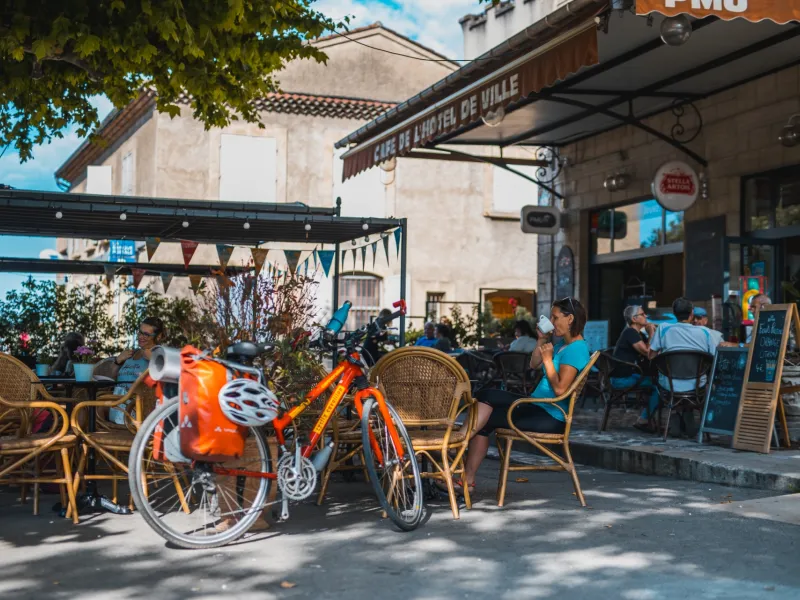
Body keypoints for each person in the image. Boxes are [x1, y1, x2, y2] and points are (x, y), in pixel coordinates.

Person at [460, 297, 591, 490]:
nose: (552, 322)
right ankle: (466, 477)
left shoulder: (577, 349)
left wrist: (548, 360)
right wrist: (542, 339)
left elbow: (560, 389)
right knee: (484, 411)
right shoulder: (563, 344)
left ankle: (456, 445)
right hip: (537, 406)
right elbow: (533, 364)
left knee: (486, 399)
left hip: (550, 415)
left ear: (570, 318)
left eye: (555, 318)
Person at [649, 297, 723, 396]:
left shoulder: (663, 328)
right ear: (692, 313)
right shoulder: (705, 332)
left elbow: (651, 356)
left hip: (669, 386)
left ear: (674, 313)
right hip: (697, 385)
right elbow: (715, 359)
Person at [109, 317, 166, 425]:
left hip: (137, 408)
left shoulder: (160, 356)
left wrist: (154, 359)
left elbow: (166, 381)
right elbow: (110, 380)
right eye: (140, 332)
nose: (140, 337)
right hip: (116, 402)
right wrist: (118, 361)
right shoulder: (131, 353)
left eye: (146, 334)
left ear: (158, 336)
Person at [611, 306, 659, 432]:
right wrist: (651, 333)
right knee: (660, 387)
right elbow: (648, 352)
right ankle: (643, 420)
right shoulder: (630, 332)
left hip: (630, 376)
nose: (646, 316)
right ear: (634, 319)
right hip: (621, 379)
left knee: (656, 381)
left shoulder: (638, 334)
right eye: (642, 314)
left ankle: (648, 420)